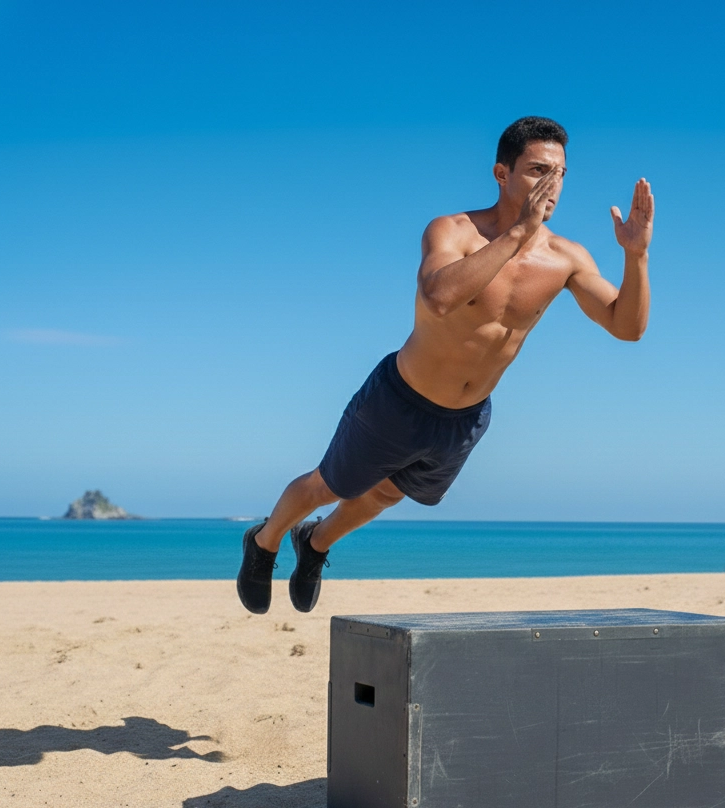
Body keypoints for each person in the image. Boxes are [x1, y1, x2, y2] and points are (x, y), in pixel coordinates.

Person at [236, 116, 654, 614]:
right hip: (400, 398)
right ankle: (263, 544)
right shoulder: (453, 230)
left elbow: (626, 327)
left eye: (561, 173)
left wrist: (637, 257)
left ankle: (315, 545)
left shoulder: (567, 258)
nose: (552, 185)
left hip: (465, 417)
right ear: (501, 173)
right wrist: (518, 234)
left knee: (388, 494)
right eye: (538, 169)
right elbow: (438, 297)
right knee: (329, 484)